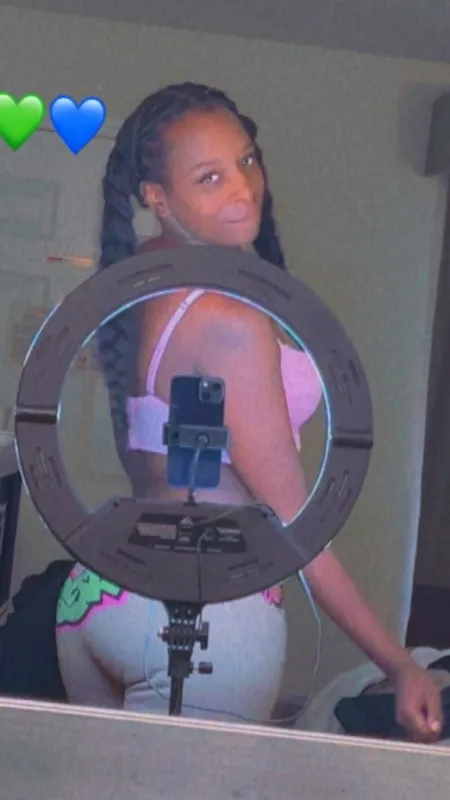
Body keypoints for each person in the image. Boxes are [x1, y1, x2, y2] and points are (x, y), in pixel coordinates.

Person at [56, 82, 442, 741]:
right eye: (209, 177)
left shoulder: (141, 285)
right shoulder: (226, 322)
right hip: (206, 610)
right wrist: (400, 664)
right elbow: (297, 529)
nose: (242, 189)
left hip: (99, 590)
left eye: (246, 160)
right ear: (157, 198)